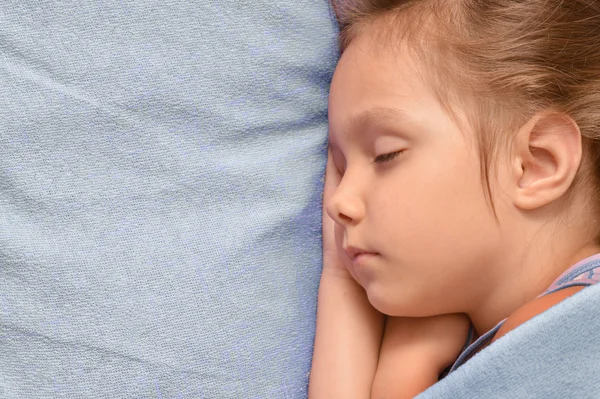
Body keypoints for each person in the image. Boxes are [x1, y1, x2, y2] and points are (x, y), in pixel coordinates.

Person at [308, 0, 600, 398]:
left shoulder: (567, 322)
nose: (337, 201)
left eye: (385, 154)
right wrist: (341, 275)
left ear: (535, 164)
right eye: (340, 168)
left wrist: (402, 369)